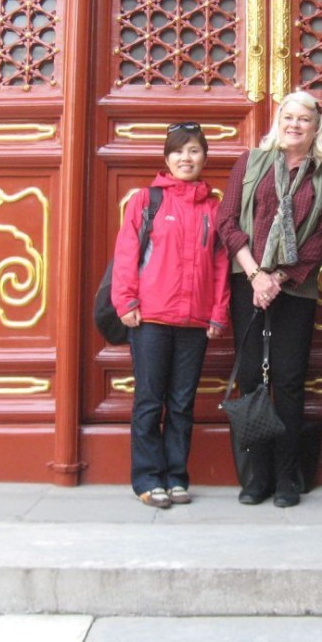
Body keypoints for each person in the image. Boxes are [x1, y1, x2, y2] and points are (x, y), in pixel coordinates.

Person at [216, 91, 322, 508]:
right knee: (251, 378)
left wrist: (278, 278)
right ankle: (256, 478)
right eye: (289, 116)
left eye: (305, 119)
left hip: (295, 288)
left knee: (288, 379)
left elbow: (318, 243)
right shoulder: (250, 162)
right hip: (247, 281)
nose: (295, 124)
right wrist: (255, 274)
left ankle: (287, 477)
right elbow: (226, 220)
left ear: (316, 127)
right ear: (278, 121)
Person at [111, 122, 230, 508]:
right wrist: (126, 303)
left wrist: (217, 313)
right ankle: (147, 479)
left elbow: (220, 265)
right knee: (149, 400)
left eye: (194, 151)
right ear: (166, 159)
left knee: (181, 403)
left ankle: (177, 476)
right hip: (151, 320)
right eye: (179, 151)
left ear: (204, 158)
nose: (186, 158)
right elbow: (127, 254)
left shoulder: (214, 208)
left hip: (194, 322)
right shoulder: (147, 201)